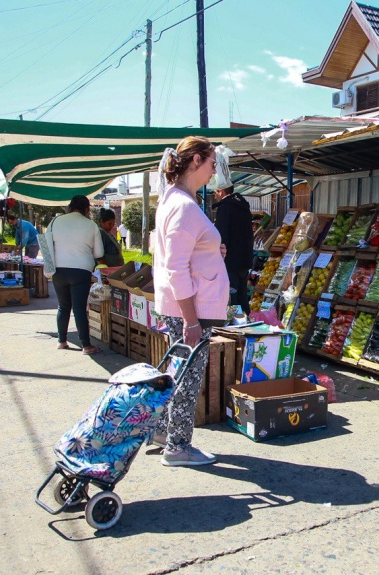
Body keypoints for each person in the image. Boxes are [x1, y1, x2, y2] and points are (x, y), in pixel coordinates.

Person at [152, 136, 229, 467]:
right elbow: (176, 268)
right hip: (190, 309)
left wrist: (214, 251)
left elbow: (181, 252)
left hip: (187, 306)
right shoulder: (183, 207)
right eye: (213, 163)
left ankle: (162, 430)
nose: (214, 171)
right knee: (187, 377)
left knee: (179, 372)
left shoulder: (179, 200)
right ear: (196, 160)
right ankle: (177, 447)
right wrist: (191, 321)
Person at [51, 195, 104, 355]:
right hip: (81, 271)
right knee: (79, 308)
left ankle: (62, 341)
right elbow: (99, 252)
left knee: (63, 306)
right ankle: (86, 346)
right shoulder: (91, 225)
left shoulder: (56, 221)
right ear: (87, 209)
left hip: (58, 270)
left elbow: (47, 244)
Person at [212, 185, 254, 315]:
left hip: (230, 261)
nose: (215, 196)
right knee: (242, 297)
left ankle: (235, 330)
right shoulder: (244, 207)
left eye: (215, 193)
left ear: (221, 191)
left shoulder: (225, 208)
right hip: (244, 260)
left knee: (232, 299)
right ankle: (246, 325)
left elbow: (221, 237)